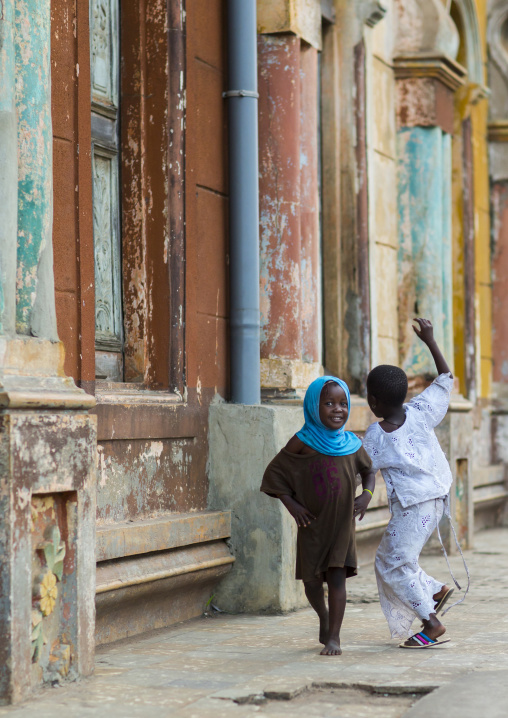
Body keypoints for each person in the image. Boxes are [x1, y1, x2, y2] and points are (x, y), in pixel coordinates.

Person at [362, 318, 469, 649]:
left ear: (374, 401)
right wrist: (430, 340)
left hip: (413, 508)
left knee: (392, 563)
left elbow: (361, 467)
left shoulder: (376, 436)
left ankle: (431, 622)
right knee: (395, 560)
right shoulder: (421, 410)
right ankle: (434, 590)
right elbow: (445, 379)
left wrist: (363, 495)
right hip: (436, 501)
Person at [261, 376, 376, 656]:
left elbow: (369, 472)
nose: (338, 409)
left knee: (336, 578)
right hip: (312, 523)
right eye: (328, 403)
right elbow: (274, 474)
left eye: (343, 403)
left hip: (341, 526)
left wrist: (366, 496)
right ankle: (323, 616)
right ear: (313, 407)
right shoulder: (302, 442)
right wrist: (292, 505)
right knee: (312, 582)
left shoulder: (351, 443)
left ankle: (334, 636)